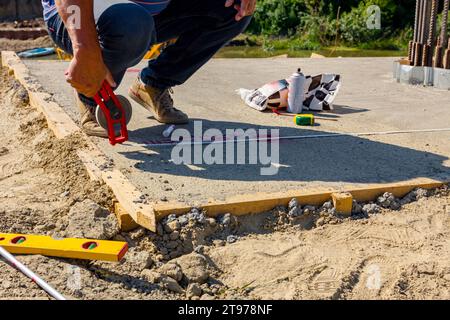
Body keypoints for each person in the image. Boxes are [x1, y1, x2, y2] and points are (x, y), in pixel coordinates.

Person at [42, 0, 256, 137]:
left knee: (234, 8)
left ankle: (153, 85)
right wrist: (84, 49)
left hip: (150, 13)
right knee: (131, 22)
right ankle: (91, 93)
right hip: (79, 14)